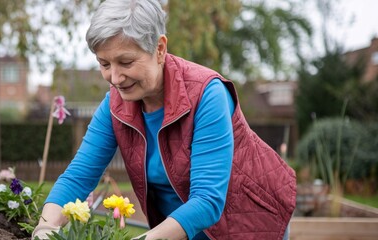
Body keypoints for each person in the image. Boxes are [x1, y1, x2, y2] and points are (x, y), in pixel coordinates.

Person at [32, 0, 295, 239]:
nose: (115, 77)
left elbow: (207, 200)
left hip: (249, 226)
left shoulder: (207, 94)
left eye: (126, 62)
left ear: (159, 49)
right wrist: (45, 228)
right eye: (104, 64)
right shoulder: (115, 104)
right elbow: (78, 177)